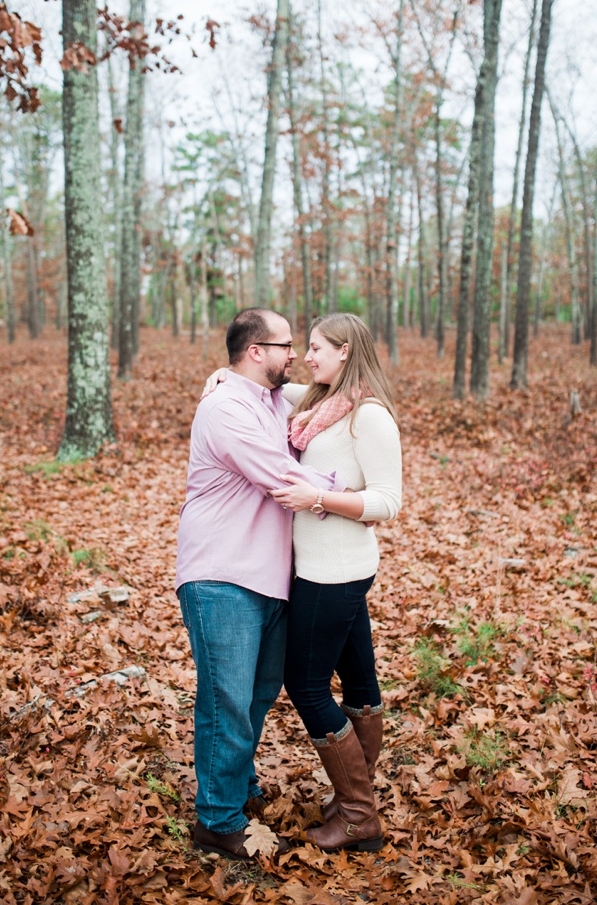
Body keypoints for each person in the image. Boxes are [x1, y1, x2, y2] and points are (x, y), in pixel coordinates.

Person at [176, 307, 337, 861]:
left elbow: (338, 390)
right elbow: (279, 474)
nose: (294, 353)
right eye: (285, 344)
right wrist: (343, 491)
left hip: (269, 578)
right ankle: (217, 821)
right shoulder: (225, 408)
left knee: (256, 698)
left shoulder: (271, 398)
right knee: (226, 702)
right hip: (221, 575)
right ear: (255, 351)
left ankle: (237, 791)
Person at [266, 313, 402, 852]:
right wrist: (224, 377)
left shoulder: (368, 418)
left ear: (345, 352)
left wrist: (317, 498)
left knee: (304, 685)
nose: (306, 356)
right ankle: (355, 798)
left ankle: (359, 815)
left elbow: (388, 502)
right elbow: (282, 388)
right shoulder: (323, 405)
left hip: (334, 573)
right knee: (361, 684)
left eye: (318, 347)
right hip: (325, 567)